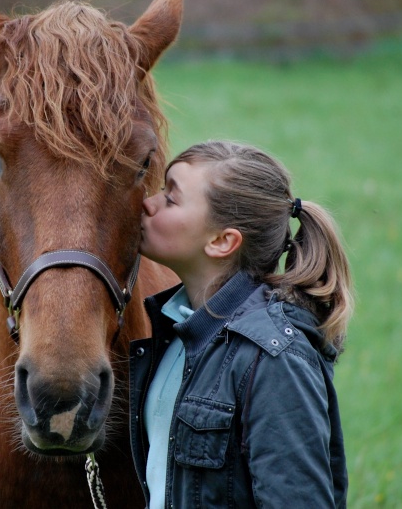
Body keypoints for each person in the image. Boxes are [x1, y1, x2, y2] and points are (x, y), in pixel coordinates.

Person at [129, 141, 353, 508]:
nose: (147, 203)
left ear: (221, 241)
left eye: (170, 199)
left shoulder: (276, 360)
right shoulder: (173, 333)